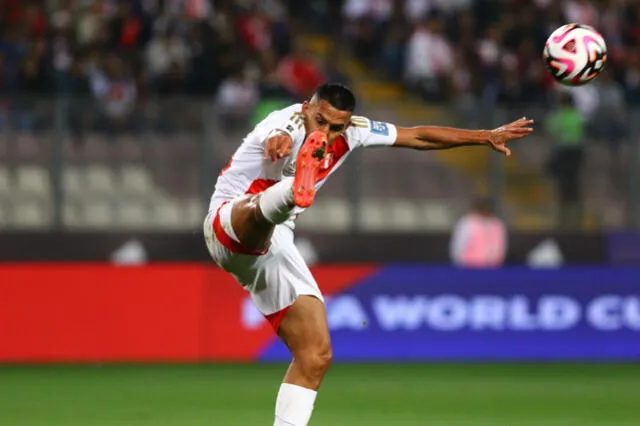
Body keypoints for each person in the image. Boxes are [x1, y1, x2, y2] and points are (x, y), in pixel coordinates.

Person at [203, 83, 533, 426]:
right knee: (261, 209)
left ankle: (293, 191)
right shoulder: (285, 121)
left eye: (336, 128)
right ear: (307, 110)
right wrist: (282, 143)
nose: (327, 133)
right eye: (321, 122)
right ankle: (290, 191)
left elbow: (418, 136)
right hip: (226, 223)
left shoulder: (356, 130)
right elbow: (277, 136)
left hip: (275, 245)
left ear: (347, 124)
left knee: (315, 355)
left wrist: (483, 136)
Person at [449, 196, 508, 268]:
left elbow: (501, 248)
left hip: (492, 268)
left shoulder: (497, 225)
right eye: (484, 208)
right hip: (470, 268)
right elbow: (458, 247)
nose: (486, 211)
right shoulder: (467, 223)